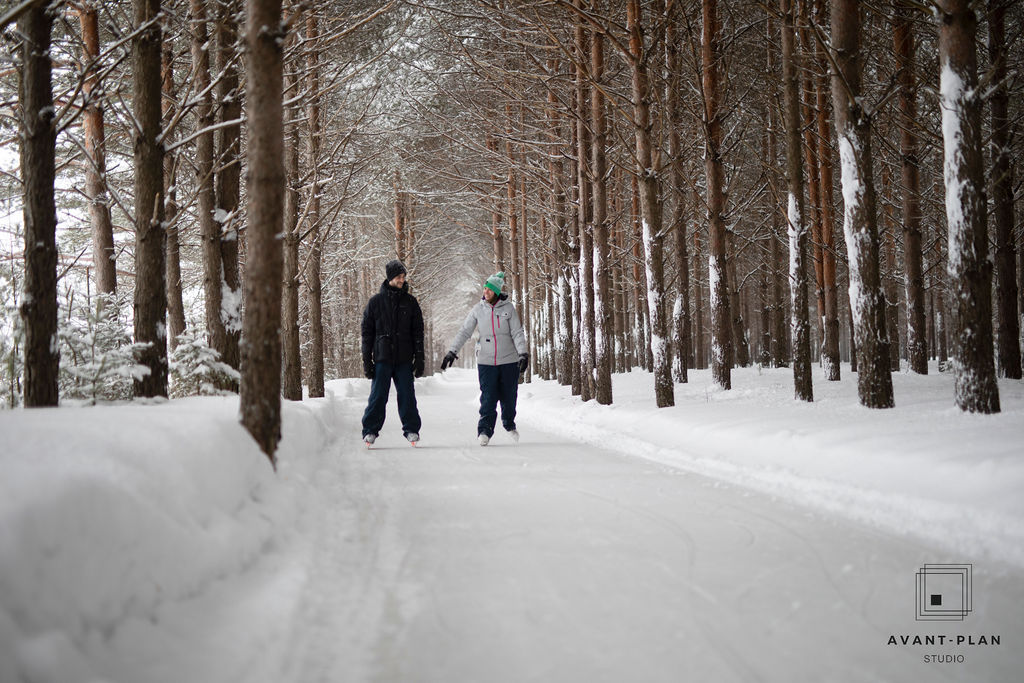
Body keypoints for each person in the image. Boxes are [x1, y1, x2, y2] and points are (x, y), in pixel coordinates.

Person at [441, 272, 528, 446]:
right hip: (486, 362)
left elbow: (517, 332)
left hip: (509, 361)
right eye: (485, 288)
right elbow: (465, 331)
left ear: (496, 292)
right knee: (488, 397)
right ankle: (484, 431)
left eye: (489, 289)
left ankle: (509, 423)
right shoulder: (478, 309)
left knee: (509, 397)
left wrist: (523, 353)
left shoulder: (508, 309)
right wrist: (452, 351)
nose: (485, 292)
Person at [361, 259, 424, 446]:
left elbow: (418, 333)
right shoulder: (375, 303)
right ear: (390, 278)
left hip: (404, 359)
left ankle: (412, 429)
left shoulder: (411, 303)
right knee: (378, 396)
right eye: (398, 277)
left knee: (407, 395)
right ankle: (370, 430)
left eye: (403, 277)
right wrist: (367, 361)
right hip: (382, 358)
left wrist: (419, 358)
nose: (402, 280)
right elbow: (367, 334)